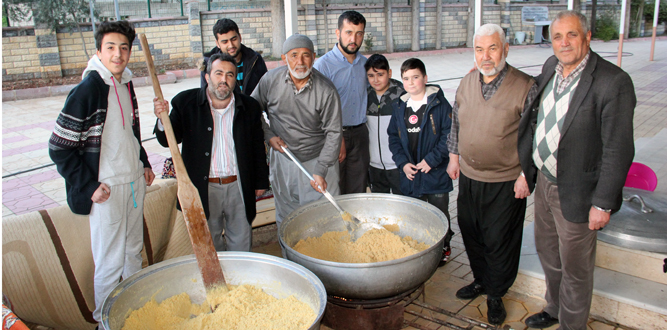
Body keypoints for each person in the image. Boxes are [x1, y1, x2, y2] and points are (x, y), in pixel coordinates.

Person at [519, 11, 635, 330]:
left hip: (580, 194)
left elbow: (618, 149)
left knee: (575, 269)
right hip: (544, 182)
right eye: (557, 37)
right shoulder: (549, 68)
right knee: (548, 253)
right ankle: (554, 308)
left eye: (571, 35)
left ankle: (572, 325)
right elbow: (534, 120)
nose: (564, 42)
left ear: (587, 36)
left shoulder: (613, 82)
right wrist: (526, 171)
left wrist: (603, 203)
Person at [48, 20, 155, 324]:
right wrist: (88, 186)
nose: (118, 54)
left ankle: (136, 311)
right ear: (98, 50)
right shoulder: (88, 89)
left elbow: (130, 132)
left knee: (133, 251)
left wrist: (144, 163)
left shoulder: (125, 83)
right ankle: (105, 320)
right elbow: (58, 147)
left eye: (124, 48)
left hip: (134, 182)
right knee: (109, 261)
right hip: (107, 190)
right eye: (110, 47)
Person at [445, 23, 538, 325]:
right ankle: (481, 280)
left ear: (506, 50)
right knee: (471, 231)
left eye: (492, 48)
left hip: (506, 181)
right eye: (479, 49)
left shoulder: (525, 85)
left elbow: (536, 136)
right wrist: (453, 157)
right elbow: (456, 122)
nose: (486, 56)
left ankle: (496, 294)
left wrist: (527, 174)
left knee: (500, 240)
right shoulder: (466, 82)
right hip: (470, 176)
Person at [153, 53, 270, 252]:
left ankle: (240, 280)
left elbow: (257, 146)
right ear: (207, 77)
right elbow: (167, 140)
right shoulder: (185, 103)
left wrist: (260, 181)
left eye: (230, 75)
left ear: (235, 79)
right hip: (203, 187)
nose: (224, 79)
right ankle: (218, 282)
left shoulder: (249, 107)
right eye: (218, 73)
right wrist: (162, 119)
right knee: (209, 244)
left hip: (238, 185)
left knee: (241, 242)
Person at [251, 34, 343, 228]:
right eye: (294, 55)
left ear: (314, 56)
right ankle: (290, 258)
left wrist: (321, 169)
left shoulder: (326, 90)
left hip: (318, 160)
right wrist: (268, 136)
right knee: (288, 218)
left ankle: (320, 258)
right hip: (284, 160)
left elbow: (334, 133)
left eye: (305, 55)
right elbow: (251, 110)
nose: (300, 62)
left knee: (327, 220)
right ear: (284, 58)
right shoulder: (270, 80)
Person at [387, 58, 455, 268]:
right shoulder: (400, 106)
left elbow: (449, 136)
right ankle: (421, 247)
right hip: (411, 173)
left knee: (439, 213)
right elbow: (393, 137)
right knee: (415, 214)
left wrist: (431, 160)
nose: (411, 82)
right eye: (406, 78)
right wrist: (403, 163)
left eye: (415, 77)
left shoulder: (440, 105)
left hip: (435, 173)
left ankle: (443, 246)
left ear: (425, 78)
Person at [313, 10, 369, 194]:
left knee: (358, 188)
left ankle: (354, 222)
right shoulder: (323, 66)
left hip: (360, 133)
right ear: (338, 33)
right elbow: (317, 107)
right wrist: (337, 137)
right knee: (336, 188)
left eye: (359, 33)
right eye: (349, 32)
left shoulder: (365, 64)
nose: (354, 38)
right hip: (334, 135)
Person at [365, 54, 404, 194]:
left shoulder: (403, 95)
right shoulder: (365, 96)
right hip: (374, 166)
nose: (375, 80)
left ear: (389, 73)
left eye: (380, 74)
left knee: (403, 206)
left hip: (398, 165)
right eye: (370, 76)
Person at [201, 18, 268, 96]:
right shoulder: (209, 64)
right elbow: (205, 96)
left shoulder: (255, 59)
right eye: (225, 42)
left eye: (234, 39)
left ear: (240, 37)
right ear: (217, 43)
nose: (231, 45)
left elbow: (266, 90)